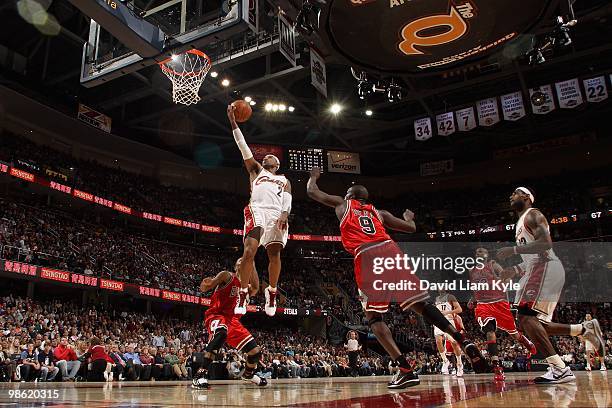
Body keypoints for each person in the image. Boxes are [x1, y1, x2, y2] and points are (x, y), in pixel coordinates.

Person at [306, 167, 488, 389]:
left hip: (366, 254)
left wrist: (314, 176)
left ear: (349, 196)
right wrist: (408, 217)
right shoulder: (379, 213)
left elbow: (312, 192)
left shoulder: (343, 205)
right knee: (421, 304)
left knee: (374, 318)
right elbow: (410, 228)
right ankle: (462, 339)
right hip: (391, 250)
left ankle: (405, 369)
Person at [497, 187, 592, 384]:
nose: (510, 196)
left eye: (514, 193)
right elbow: (529, 258)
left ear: (526, 197)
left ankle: (560, 369)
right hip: (539, 268)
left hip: (545, 267)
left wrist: (513, 249)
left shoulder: (533, 214)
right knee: (534, 325)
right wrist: (513, 270)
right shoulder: (521, 223)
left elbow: (546, 243)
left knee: (525, 319)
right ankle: (583, 330)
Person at [228, 104, 292, 316]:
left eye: (270, 158)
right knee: (249, 252)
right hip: (257, 210)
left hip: (277, 215)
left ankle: (272, 292)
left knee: (274, 255)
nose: (266, 158)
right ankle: (243, 293)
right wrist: (233, 122)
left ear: (277, 164)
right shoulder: (256, 170)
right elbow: (242, 146)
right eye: (264, 157)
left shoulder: (284, 180)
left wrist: (284, 214)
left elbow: (288, 199)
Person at [192, 258, 268, 389]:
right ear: (236, 266)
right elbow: (207, 286)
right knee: (221, 333)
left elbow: (256, 287)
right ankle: (200, 375)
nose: (243, 261)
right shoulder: (227, 276)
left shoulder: (247, 288)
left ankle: (248, 375)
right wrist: (206, 285)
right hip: (217, 314)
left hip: (233, 321)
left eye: (246, 261)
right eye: (240, 260)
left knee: (255, 353)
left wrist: (253, 263)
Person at [468, 247, 537, 381]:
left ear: (487, 255)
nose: (479, 254)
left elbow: (506, 277)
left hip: (499, 302)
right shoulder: (472, 271)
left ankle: (524, 340)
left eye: (482, 251)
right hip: (483, 305)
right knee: (490, 331)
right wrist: (473, 298)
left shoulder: (493, 265)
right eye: (477, 252)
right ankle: (497, 367)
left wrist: (502, 283)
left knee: (513, 334)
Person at [433, 290, 465, 377]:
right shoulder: (436, 299)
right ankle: (445, 361)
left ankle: (459, 364)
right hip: (438, 321)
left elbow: (459, 309)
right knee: (438, 341)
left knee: (454, 343)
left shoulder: (450, 296)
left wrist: (447, 312)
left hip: (449, 321)